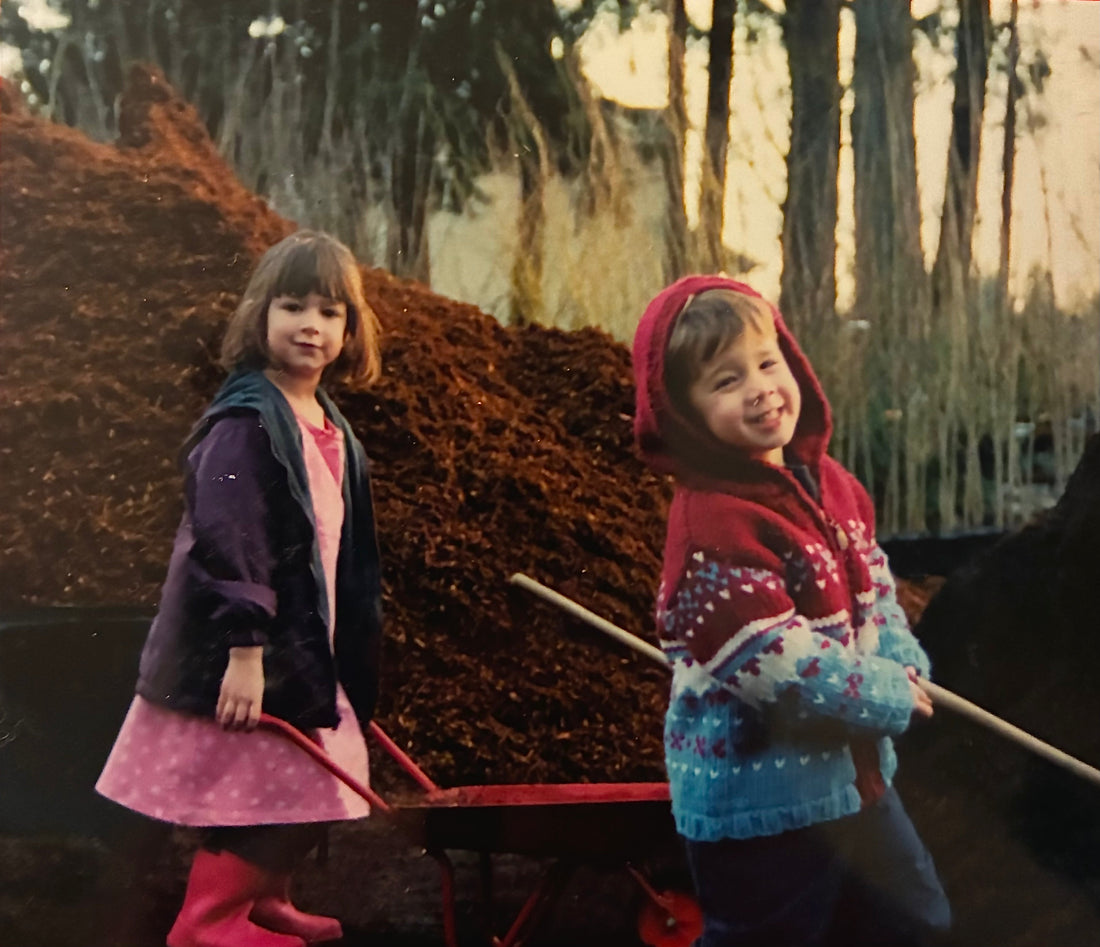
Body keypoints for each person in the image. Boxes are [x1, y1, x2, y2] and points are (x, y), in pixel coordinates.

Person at [631, 276, 950, 946]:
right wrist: (886, 692)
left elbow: (875, 587)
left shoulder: (831, 484)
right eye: (725, 381)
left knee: (915, 922)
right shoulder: (711, 529)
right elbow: (779, 666)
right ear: (684, 413)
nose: (759, 388)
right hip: (761, 807)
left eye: (768, 362)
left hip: (854, 784)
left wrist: (900, 656)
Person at [96, 230, 385, 947]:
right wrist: (246, 649)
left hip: (302, 646)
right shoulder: (246, 421)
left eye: (330, 312)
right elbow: (231, 543)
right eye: (293, 306)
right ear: (261, 313)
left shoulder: (329, 427)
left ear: (351, 330)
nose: (311, 326)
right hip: (247, 650)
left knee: (305, 784)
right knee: (285, 784)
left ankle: (263, 900)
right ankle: (207, 921)